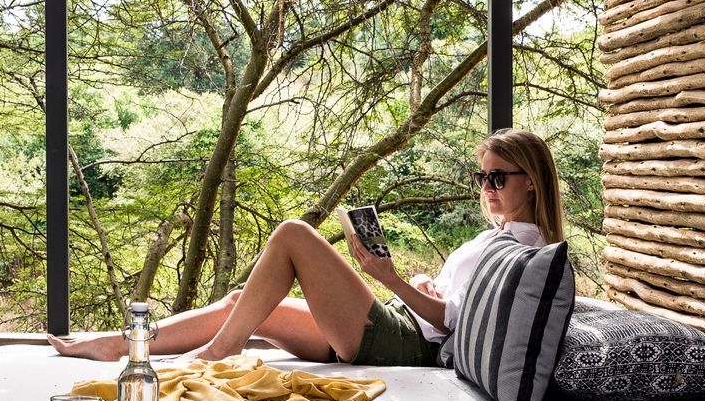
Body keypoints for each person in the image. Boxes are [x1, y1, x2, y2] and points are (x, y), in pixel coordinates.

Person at [48, 128, 566, 365]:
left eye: (498, 178)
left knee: (294, 234)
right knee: (240, 305)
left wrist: (390, 279)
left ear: (533, 182)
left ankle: (219, 352)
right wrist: (426, 284)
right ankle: (124, 344)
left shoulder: (527, 250)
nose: (486, 188)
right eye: (482, 177)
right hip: (400, 323)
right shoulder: (498, 239)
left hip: (405, 344)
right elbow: (455, 304)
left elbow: (454, 325)